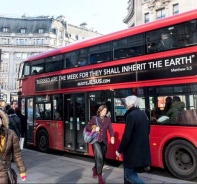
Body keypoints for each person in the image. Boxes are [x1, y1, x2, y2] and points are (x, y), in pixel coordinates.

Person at [116, 96, 151, 184]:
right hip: (142, 149)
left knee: (129, 175)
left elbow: (126, 136)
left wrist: (119, 150)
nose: (126, 106)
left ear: (129, 104)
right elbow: (148, 131)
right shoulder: (144, 114)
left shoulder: (131, 116)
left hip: (132, 151)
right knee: (133, 174)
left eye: (126, 104)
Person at [86, 105, 115, 184]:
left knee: (103, 158)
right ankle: (100, 176)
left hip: (104, 141)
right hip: (96, 140)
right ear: (100, 111)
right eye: (103, 110)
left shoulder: (107, 119)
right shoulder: (94, 118)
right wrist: (94, 128)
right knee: (99, 157)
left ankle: (95, 168)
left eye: (106, 111)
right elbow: (87, 127)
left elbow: (110, 129)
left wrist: (112, 137)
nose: (105, 112)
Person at [0, 110, 27, 183]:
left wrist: (22, 170)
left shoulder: (11, 134)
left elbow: (17, 154)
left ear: (2, 121)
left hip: (5, 172)